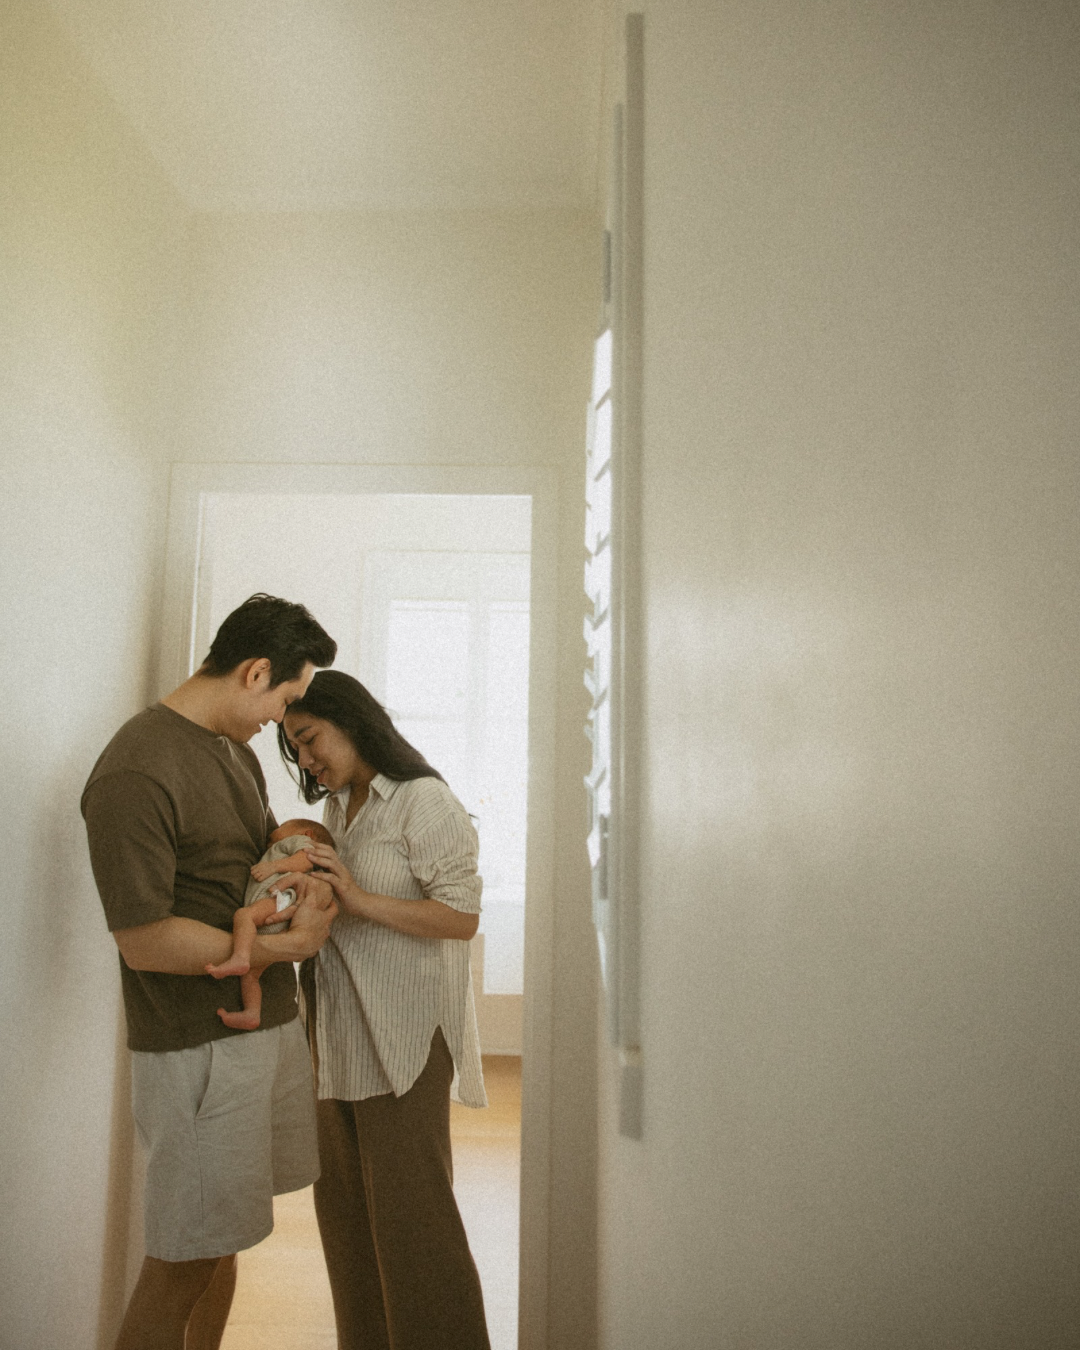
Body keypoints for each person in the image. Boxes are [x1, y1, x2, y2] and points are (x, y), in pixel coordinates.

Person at [81, 594, 340, 1350]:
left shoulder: (233, 750)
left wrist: (305, 892)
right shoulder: (136, 769)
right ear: (255, 671)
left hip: (259, 1033)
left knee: (219, 1242)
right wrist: (274, 950)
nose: (279, 723)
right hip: (197, 1048)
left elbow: (250, 867)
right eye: (284, 700)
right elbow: (143, 939)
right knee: (180, 1261)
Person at [278, 669, 491, 1350]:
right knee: (347, 1227)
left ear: (353, 721)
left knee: (414, 1229)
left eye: (310, 740)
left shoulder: (423, 802)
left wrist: (358, 898)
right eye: (297, 751)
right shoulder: (343, 807)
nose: (308, 762)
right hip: (337, 1040)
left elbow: (460, 917)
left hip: (402, 1041)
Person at [207, 817, 337, 1031]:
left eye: (283, 827)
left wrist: (274, 866)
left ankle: (240, 957)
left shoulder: (299, 843)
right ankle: (252, 1013)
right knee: (251, 975)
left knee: (243, 916)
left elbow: (305, 860)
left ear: (307, 834)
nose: (273, 833)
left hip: (282, 898)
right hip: (278, 909)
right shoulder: (283, 847)